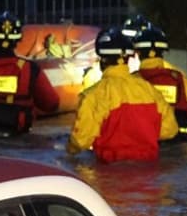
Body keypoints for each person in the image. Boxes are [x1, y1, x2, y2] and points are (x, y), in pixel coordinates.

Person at [67, 26, 178, 162]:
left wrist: (69, 150)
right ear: (127, 59)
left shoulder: (92, 96)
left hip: (108, 173)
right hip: (150, 175)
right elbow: (170, 130)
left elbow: (81, 141)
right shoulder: (150, 90)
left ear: (103, 60)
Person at [132, 25, 187, 142]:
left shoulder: (128, 83)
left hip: (142, 145)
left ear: (137, 53)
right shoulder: (186, 83)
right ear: (163, 52)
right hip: (179, 146)